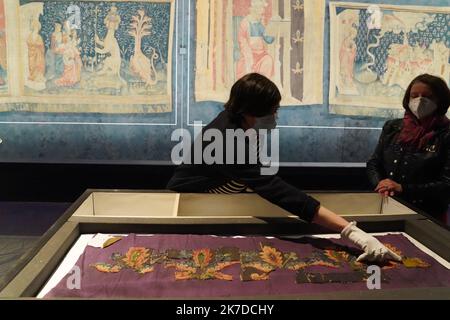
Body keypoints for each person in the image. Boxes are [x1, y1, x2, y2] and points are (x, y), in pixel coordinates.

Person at [168, 73, 401, 263]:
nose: (274, 116)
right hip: (195, 198)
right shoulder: (227, 139)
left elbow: (261, 176)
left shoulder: (238, 121)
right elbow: (274, 188)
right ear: (251, 109)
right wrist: (352, 232)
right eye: (272, 111)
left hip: (222, 190)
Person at [367, 74, 450, 222]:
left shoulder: (446, 134)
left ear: (441, 100)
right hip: (387, 206)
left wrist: (403, 188)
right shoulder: (393, 127)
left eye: (427, 96)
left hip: (428, 216)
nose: (419, 100)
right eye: (414, 95)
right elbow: (374, 163)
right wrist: (381, 184)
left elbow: (447, 184)